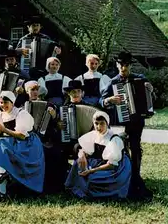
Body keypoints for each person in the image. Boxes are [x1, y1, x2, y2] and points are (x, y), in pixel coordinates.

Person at [100, 51, 154, 199]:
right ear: (117, 65)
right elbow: (101, 101)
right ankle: (125, 177)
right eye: (121, 65)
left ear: (130, 65)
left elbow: (150, 97)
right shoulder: (113, 82)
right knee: (122, 149)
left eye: (126, 65)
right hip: (121, 122)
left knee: (136, 148)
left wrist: (150, 89)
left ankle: (136, 177)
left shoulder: (140, 79)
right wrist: (110, 100)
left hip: (137, 120)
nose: (123, 68)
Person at [0, 91, 45, 199]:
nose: (3, 105)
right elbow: (0, 133)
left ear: (12, 102)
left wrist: (4, 129)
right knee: (0, 146)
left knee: (1, 146)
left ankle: (2, 184)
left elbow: (22, 136)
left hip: (28, 144)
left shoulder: (21, 114)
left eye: (6, 103)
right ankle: (1, 187)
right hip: (12, 142)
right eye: (1, 103)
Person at [65, 111, 131, 200]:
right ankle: (75, 188)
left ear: (107, 124)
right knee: (77, 164)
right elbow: (81, 147)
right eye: (96, 123)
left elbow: (111, 165)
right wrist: (82, 155)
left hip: (113, 168)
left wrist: (91, 171)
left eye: (102, 124)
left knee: (92, 179)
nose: (98, 127)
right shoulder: (94, 134)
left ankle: (90, 194)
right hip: (97, 161)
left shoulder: (114, 139)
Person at [24, 81, 67, 193]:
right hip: (27, 138)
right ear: (27, 92)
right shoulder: (23, 106)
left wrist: (54, 116)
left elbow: (58, 124)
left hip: (46, 138)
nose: (34, 92)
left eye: (36, 90)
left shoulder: (49, 105)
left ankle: (51, 186)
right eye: (32, 90)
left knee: (54, 151)